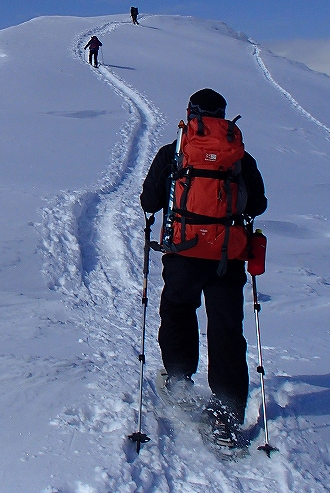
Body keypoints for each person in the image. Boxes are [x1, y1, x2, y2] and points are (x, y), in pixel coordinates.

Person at [139, 88, 267, 448]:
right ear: (224, 116)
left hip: (183, 252)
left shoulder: (174, 153)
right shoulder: (239, 156)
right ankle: (226, 416)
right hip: (227, 256)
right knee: (226, 329)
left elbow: (149, 200)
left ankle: (179, 380)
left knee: (178, 310)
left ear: (190, 113)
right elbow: (258, 204)